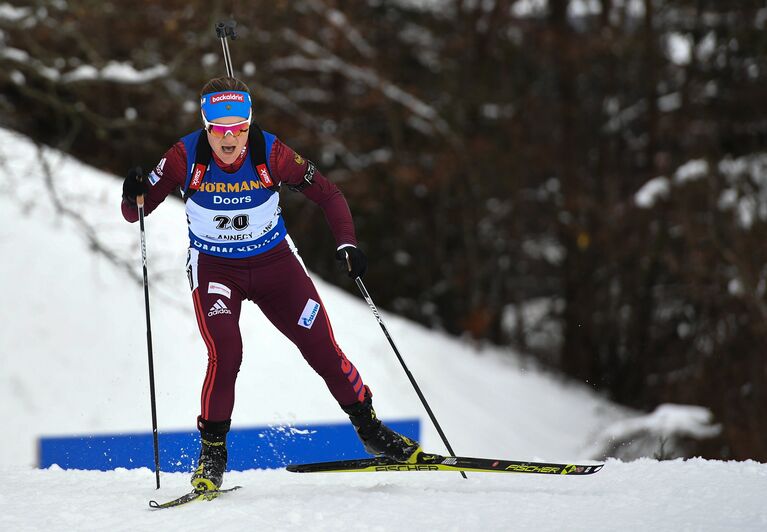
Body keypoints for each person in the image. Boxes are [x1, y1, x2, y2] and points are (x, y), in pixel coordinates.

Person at [121, 76, 419, 492]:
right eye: (220, 130)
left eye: (239, 128)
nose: (230, 139)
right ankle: (211, 455)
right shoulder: (183, 157)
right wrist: (133, 191)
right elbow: (135, 212)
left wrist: (348, 244)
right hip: (216, 270)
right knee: (226, 352)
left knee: (322, 349)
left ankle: (370, 430)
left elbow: (329, 195)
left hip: (275, 265)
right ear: (206, 126)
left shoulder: (272, 153)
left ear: (249, 123)